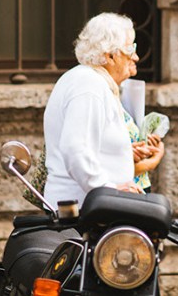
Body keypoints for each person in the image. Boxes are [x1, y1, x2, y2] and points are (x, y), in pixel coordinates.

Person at [43, 12, 144, 207]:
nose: (136, 57)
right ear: (110, 56)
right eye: (131, 49)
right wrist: (106, 189)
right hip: (83, 212)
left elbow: (89, 143)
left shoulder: (92, 81)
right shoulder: (88, 85)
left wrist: (122, 151)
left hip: (91, 208)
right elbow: (75, 148)